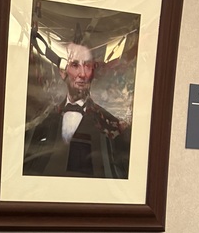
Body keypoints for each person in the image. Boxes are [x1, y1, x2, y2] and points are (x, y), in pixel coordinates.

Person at [23, 41, 131, 179]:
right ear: (62, 72)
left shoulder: (111, 125)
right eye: (75, 65)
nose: (82, 74)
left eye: (87, 66)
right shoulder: (44, 120)